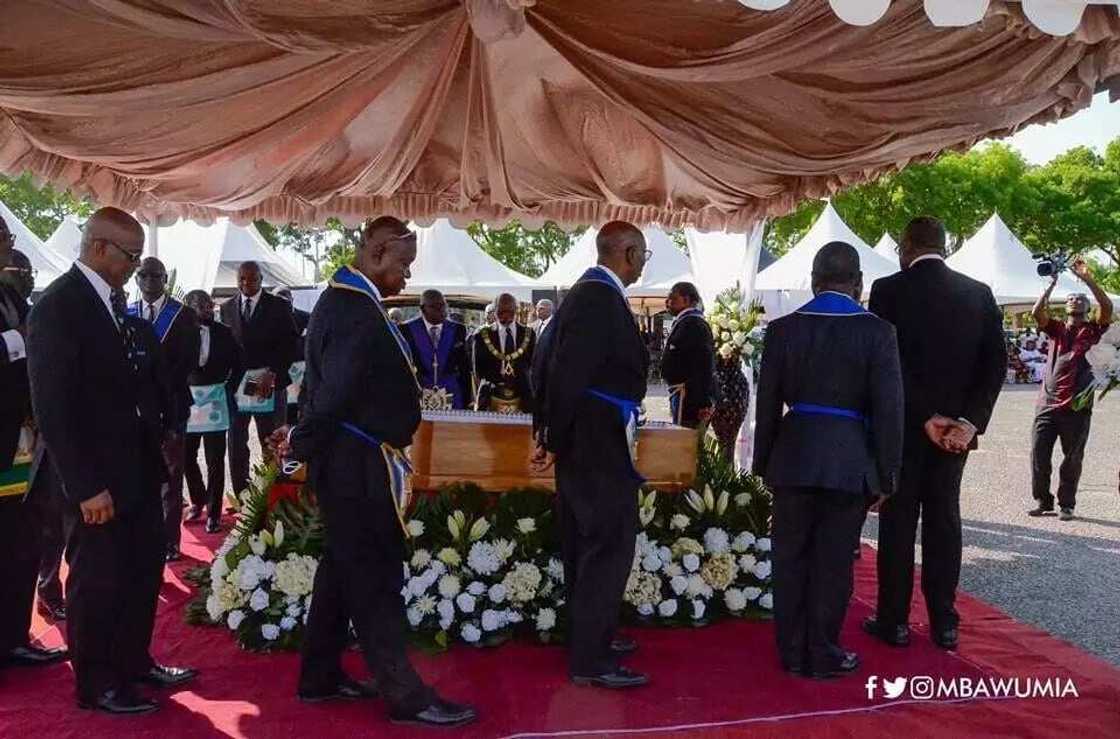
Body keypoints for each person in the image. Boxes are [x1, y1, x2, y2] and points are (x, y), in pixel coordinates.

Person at [282, 216, 475, 727]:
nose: (407, 277)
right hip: (356, 465)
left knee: (341, 568)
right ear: (377, 251)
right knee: (374, 576)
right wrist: (299, 444)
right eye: (403, 265)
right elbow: (332, 394)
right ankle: (406, 696)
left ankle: (319, 676)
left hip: (351, 459)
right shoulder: (354, 309)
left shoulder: (350, 301)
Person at [27, 208, 196, 715]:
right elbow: (53, 406)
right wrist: (84, 486)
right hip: (95, 478)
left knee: (141, 570)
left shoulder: (114, 305)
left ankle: (133, 662)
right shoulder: (59, 306)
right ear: (99, 248)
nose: (136, 266)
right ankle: (97, 682)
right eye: (131, 256)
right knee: (98, 580)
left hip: (136, 467)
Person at [753, 242, 903, 679]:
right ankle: (823, 650)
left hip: (793, 456)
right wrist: (886, 474)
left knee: (790, 557)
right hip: (848, 460)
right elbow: (890, 410)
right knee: (834, 561)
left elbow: (767, 405)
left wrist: (764, 464)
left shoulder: (783, 329)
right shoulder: (878, 332)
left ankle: (790, 650)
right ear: (859, 284)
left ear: (813, 281)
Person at [863, 216, 1006, 652]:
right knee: (945, 521)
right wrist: (968, 421)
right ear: (944, 246)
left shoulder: (887, 291)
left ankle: (894, 621)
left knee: (898, 523)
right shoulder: (978, 293)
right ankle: (945, 623)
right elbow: (995, 365)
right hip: (955, 436)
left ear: (906, 247)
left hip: (906, 429)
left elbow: (886, 365)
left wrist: (926, 415)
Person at [531, 221, 651, 689]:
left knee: (589, 544)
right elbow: (563, 373)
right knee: (607, 544)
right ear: (628, 252)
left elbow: (545, 361)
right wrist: (552, 437)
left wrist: (549, 431)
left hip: (588, 438)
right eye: (643, 255)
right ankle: (590, 658)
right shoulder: (598, 296)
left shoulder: (586, 294)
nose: (643, 265)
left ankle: (590, 636)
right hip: (595, 441)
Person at [0, 223, 68, 668]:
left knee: (22, 539)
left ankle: (14, 637)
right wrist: (17, 340)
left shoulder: (10, 295)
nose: (11, 243)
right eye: (3, 236)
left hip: (22, 440)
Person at [1028, 261, 1113, 521]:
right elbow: (1036, 313)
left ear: (1087, 307)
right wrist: (1051, 285)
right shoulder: (1057, 329)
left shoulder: (1095, 330)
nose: (1075, 299)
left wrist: (1087, 279)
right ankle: (1043, 501)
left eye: (1080, 298)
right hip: (1047, 403)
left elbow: (1107, 307)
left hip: (1077, 404)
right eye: (1071, 298)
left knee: (1072, 458)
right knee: (1038, 455)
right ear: (1065, 307)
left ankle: (1067, 504)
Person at [130, 257, 199, 561]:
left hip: (172, 405)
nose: (149, 280)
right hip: (136, 409)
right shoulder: (126, 312)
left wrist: (158, 389)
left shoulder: (183, 315)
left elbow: (188, 361)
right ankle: (143, 538)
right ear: (136, 278)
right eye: (143, 275)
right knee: (139, 475)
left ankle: (170, 541)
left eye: (155, 275)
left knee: (171, 476)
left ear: (165, 279)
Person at [220, 261, 299, 499]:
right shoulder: (226, 308)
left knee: (272, 441)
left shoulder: (279, 306)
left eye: (252, 278)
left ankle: (274, 496)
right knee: (236, 443)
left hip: (270, 385)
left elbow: (291, 344)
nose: (246, 283)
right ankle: (243, 498)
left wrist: (273, 372)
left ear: (261, 280)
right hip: (238, 388)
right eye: (241, 279)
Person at [182, 290, 242, 533]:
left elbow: (239, 362)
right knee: (186, 456)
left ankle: (214, 512)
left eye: (209, 304)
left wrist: (229, 387)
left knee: (215, 460)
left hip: (215, 400)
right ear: (189, 307)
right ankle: (198, 500)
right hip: (187, 401)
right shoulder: (180, 332)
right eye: (202, 305)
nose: (208, 308)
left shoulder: (224, 332)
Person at [401, 289, 472, 410]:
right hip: (418, 393)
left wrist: (467, 399)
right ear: (423, 309)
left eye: (443, 305)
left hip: (451, 393)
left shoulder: (458, 330)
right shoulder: (406, 330)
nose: (441, 310)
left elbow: (464, 368)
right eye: (435, 307)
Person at [659, 281, 717, 429]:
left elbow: (704, 365)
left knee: (687, 439)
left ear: (686, 300)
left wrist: (703, 403)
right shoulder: (685, 322)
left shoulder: (694, 324)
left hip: (690, 400)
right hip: (683, 395)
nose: (668, 302)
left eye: (673, 298)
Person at [472, 293, 536, 413]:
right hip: (491, 393)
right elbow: (478, 370)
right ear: (494, 311)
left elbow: (531, 364)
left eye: (510, 312)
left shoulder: (528, 334)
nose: (506, 316)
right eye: (501, 312)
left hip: (523, 394)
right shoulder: (481, 335)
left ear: (516, 310)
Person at [275, 287, 310, 422]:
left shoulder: (306, 317)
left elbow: (314, 340)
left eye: (286, 300)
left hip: (301, 367)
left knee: (302, 403)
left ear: (292, 300)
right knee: (284, 407)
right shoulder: (269, 319)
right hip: (280, 370)